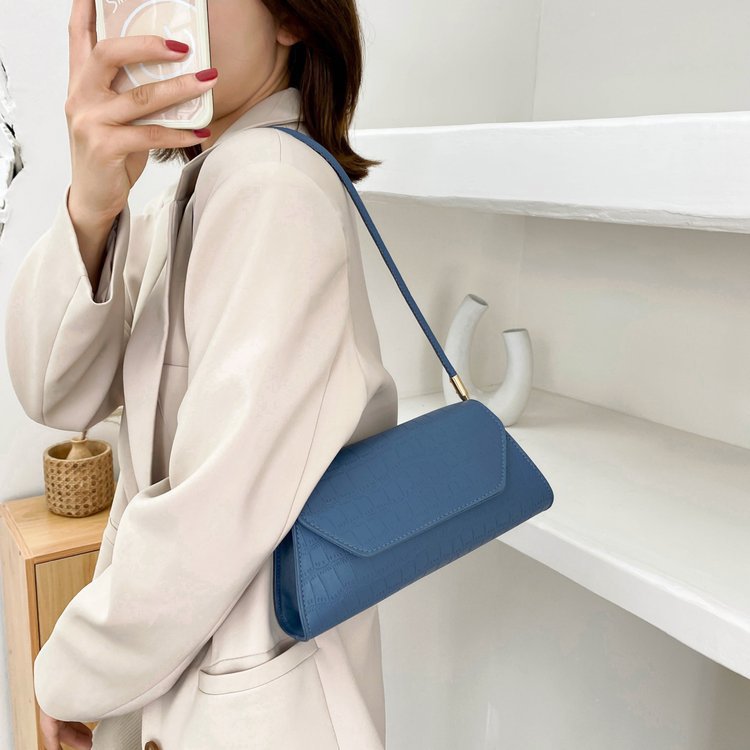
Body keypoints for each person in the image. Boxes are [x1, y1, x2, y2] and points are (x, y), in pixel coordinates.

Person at [4, 0, 398, 748]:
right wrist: (92, 202)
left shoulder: (271, 187)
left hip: (257, 704)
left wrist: (71, 675)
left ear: (292, 20)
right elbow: (54, 386)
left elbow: (208, 520)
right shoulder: (202, 192)